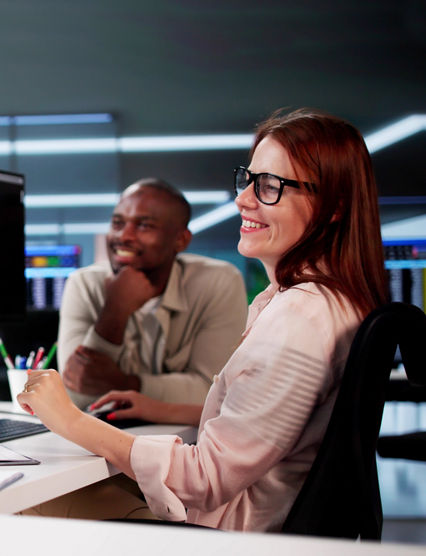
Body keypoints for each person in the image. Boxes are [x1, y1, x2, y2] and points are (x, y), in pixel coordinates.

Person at [19, 108, 388, 532]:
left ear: (334, 207)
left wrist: (68, 421)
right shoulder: (329, 302)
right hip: (243, 518)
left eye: (271, 186)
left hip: (226, 534)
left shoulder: (299, 320)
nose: (243, 199)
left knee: (22, 505)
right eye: (248, 179)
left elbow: (204, 479)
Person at [57, 178, 248, 416]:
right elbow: (76, 393)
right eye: (118, 223)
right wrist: (115, 310)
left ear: (181, 240)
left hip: (189, 438)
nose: (124, 235)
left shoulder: (218, 282)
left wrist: (126, 383)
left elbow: (215, 392)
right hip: (103, 435)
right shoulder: (84, 284)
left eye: (144, 225)